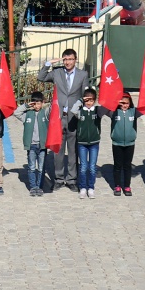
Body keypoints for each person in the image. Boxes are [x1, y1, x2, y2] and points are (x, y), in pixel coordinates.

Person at [37, 48, 89, 190]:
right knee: (58, 150)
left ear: (75, 60)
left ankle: (72, 180)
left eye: (70, 59)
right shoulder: (57, 73)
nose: (67, 62)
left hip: (74, 117)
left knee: (73, 151)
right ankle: (59, 179)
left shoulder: (82, 75)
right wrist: (49, 63)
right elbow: (41, 77)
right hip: (58, 117)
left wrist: (78, 107)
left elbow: (85, 94)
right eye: (65, 59)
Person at [14, 90, 49, 197]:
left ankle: (40, 187)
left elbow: (53, 108)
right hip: (32, 145)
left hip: (42, 145)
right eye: (35, 103)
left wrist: (47, 103)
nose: (37, 106)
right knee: (32, 167)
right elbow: (16, 113)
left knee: (42, 168)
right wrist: (26, 105)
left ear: (42, 103)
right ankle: (33, 187)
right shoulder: (28, 114)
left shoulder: (45, 113)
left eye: (39, 103)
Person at [70, 87, 103, 199]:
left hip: (94, 143)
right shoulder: (80, 111)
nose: (89, 102)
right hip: (82, 143)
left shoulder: (97, 111)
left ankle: (91, 187)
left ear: (95, 100)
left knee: (92, 167)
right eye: (87, 100)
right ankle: (83, 187)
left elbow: (105, 108)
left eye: (91, 100)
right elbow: (73, 110)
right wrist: (80, 100)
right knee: (83, 166)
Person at [108, 92, 138, 196]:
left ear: (130, 103)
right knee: (117, 165)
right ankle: (117, 185)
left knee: (127, 165)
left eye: (126, 103)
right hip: (117, 143)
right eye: (122, 103)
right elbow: (104, 107)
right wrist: (115, 102)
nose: (124, 105)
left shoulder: (133, 112)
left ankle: (127, 186)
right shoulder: (114, 112)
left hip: (130, 143)